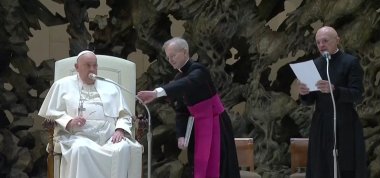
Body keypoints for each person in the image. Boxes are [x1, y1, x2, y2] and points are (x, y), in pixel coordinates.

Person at [137, 37, 240, 178]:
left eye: (173, 55)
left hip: (216, 123)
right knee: (198, 165)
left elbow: (189, 82)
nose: (170, 60)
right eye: (168, 57)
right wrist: (181, 135)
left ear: (185, 52)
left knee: (220, 167)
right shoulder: (179, 78)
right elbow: (181, 111)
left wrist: (156, 93)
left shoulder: (199, 70)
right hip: (198, 127)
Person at [38, 50, 142, 178]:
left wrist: (120, 129)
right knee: (80, 149)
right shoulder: (62, 85)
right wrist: (69, 121)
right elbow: (52, 114)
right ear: (77, 67)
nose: (92, 69)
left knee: (122, 148)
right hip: (78, 137)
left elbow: (125, 114)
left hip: (109, 138)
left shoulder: (111, 86)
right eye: (88, 65)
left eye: (95, 65)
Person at [297, 26, 367, 178]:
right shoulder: (314, 65)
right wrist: (304, 94)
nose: (321, 45)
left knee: (345, 164)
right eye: (318, 42)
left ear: (337, 41)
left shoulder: (350, 62)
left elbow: (358, 95)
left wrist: (335, 90)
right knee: (320, 166)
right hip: (321, 123)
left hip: (345, 122)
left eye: (325, 41)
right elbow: (309, 101)